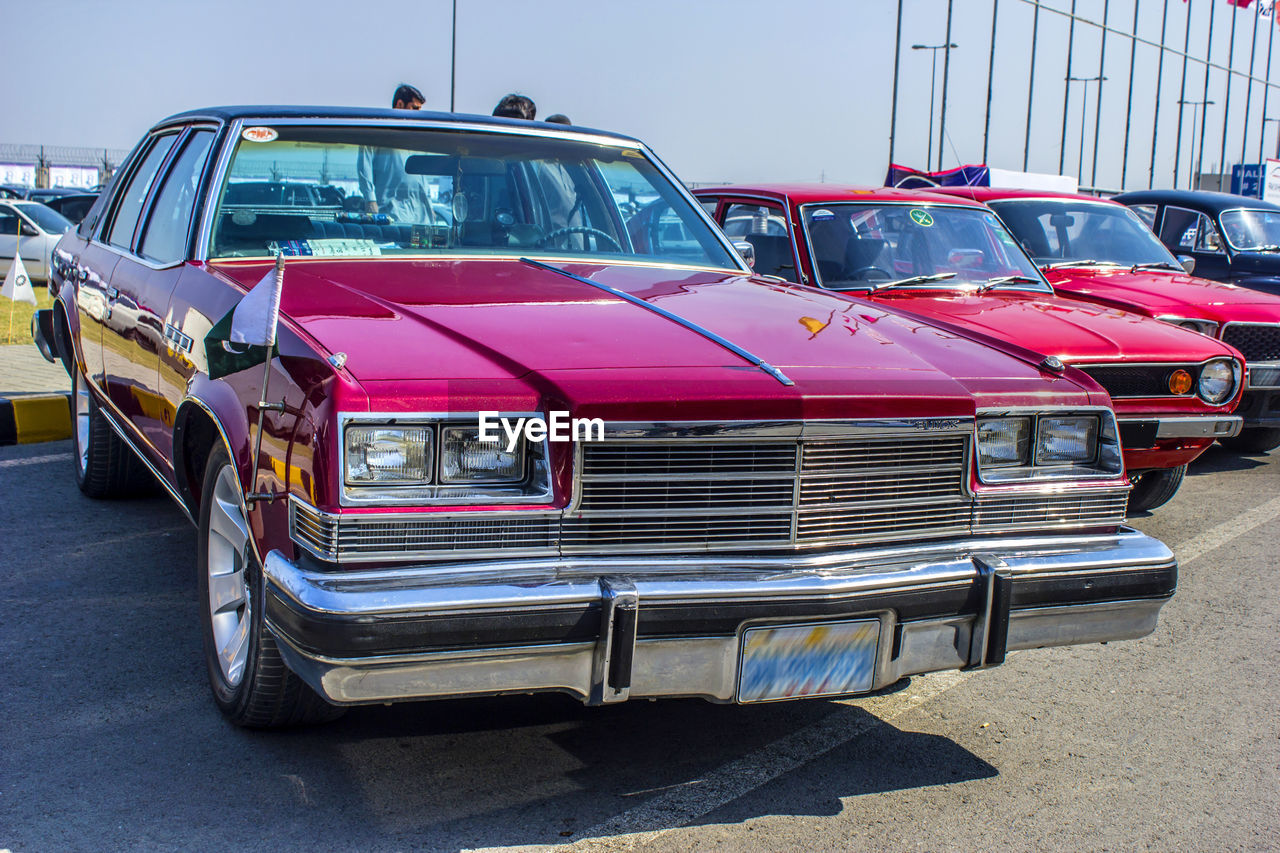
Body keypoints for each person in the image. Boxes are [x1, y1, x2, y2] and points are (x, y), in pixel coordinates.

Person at [356, 84, 434, 223]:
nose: (418, 114)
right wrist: (370, 199)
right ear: (399, 104)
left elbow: (422, 175)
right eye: (414, 108)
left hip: (420, 216)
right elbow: (364, 164)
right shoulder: (379, 132)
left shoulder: (418, 137)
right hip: (391, 214)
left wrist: (430, 205)